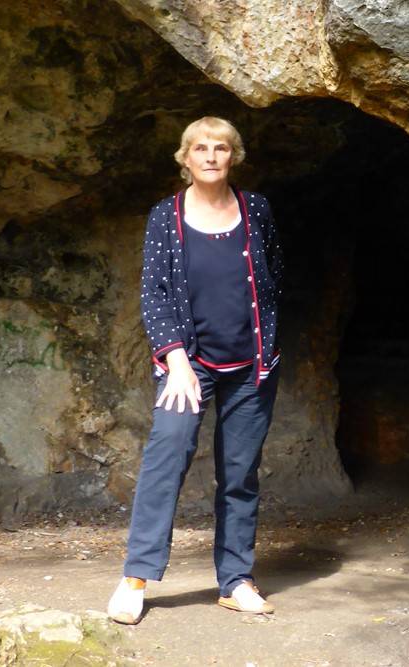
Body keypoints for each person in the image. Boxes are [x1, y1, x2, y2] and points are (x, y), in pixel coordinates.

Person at [107, 116, 284, 624]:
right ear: (185, 159)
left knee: (239, 474)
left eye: (221, 148)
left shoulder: (257, 211)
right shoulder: (166, 216)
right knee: (167, 456)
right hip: (188, 365)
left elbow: (272, 281)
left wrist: (268, 349)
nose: (210, 156)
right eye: (200, 148)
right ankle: (136, 578)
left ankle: (236, 580)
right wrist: (176, 360)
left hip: (251, 365)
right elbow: (154, 293)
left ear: (234, 157)